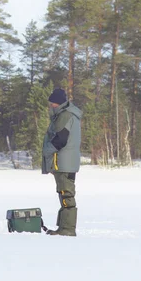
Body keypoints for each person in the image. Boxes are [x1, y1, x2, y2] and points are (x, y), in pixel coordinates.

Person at [42, 88, 83, 236]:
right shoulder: (67, 115)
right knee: (64, 194)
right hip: (66, 162)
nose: (50, 106)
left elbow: (60, 140)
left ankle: (67, 229)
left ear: (57, 103)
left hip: (63, 163)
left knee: (66, 195)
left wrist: (47, 150)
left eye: (52, 103)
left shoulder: (64, 116)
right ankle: (63, 228)